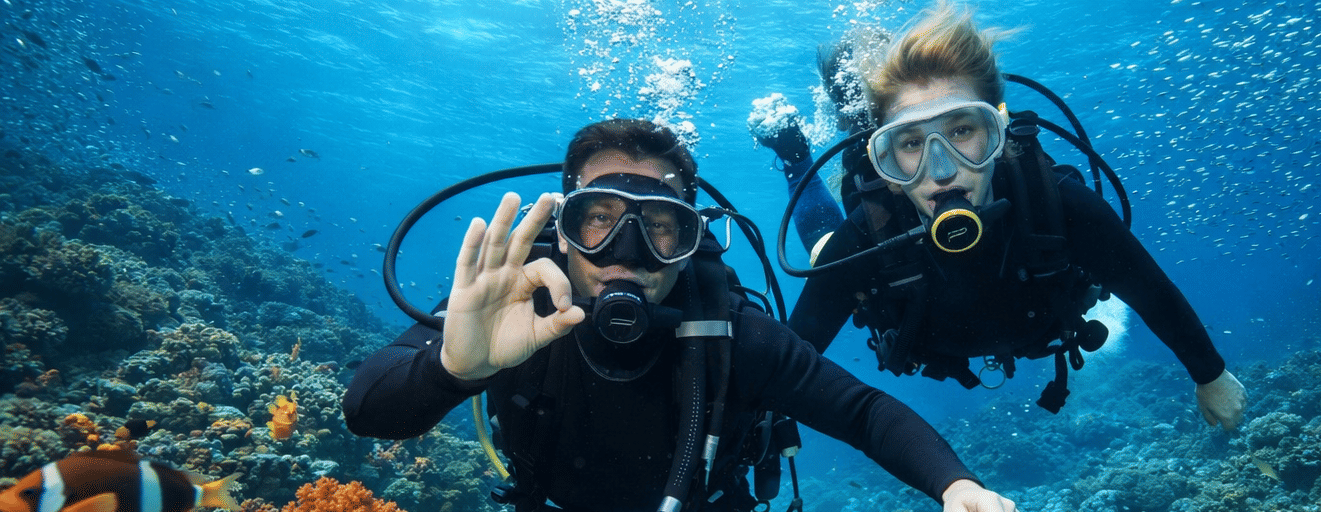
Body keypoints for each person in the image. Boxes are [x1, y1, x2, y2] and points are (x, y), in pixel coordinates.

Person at [343, 119, 1016, 512]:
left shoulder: (729, 332)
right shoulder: (510, 304)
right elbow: (367, 411)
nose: (625, 254)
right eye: (598, 220)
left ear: (692, 238)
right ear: (565, 227)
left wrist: (955, 486)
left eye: (660, 226)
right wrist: (454, 368)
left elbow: (864, 413)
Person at [785, 1, 1249, 430]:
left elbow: (1150, 290)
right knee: (826, 247)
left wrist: (1210, 374)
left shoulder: (1055, 205)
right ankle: (793, 156)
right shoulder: (869, 235)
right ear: (888, 165)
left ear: (999, 133)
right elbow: (790, 360)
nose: (943, 171)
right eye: (910, 144)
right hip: (907, 297)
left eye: (962, 130)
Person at [750, 27, 893, 261]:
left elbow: (829, 254)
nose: (838, 124)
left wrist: (796, 164)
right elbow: (829, 252)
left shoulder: (859, 154)